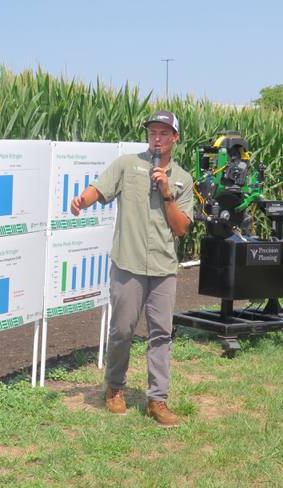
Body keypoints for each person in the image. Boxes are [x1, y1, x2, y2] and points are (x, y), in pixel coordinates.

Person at [70, 110, 193, 427]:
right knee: (122, 330)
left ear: (174, 138)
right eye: (153, 131)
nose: (157, 137)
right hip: (128, 262)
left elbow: (181, 228)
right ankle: (114, 387)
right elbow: (100, 188)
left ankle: (158, 400)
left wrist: (166, 192)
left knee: (161, 334)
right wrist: (83, 200)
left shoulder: (182, 179)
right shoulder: (127, 164)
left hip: (163, 267)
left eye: (164, 133)